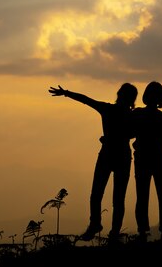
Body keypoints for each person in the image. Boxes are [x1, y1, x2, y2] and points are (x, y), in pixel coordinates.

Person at [48, 82, 138, 242]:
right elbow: (132, 134)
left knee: (96, 194)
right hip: (122, 155)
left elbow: (86, 100)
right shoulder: (132, 116)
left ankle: (95, 224)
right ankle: (114, 233)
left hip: (107, 153)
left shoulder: (108, 109)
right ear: (132, 99)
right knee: (118, 198)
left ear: (119, 95)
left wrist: (66, 93)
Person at [132, 81, 162, 243]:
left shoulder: (137, 114)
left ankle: (142, 232)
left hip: (142, 157)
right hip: (160, 157)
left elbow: (129, 131)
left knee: (142, 195)